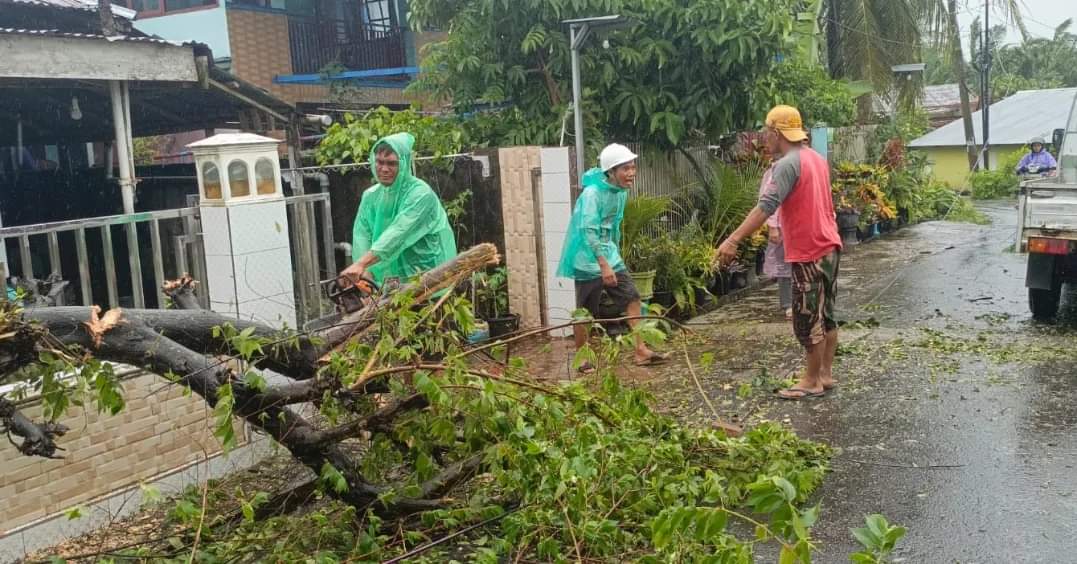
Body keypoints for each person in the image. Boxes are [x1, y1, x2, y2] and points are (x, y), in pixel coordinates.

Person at [715, 105, 842, 400]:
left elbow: (765, 206)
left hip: (808, 249)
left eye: (765, 131)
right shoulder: (816, 159)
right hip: (830, 244)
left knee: (806, 316)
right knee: (828, 314)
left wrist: (732, 240)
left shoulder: (786, 165)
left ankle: (811, 380)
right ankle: (824, 373)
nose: (763, 137)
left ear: (776, 132)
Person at [557, 143, 668, 373]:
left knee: (632, 297)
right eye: (625, 169)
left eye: (632, 167)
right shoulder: (592, 194)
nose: (631, 173)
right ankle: (582, 359)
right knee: (585, 312)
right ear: (611, 171)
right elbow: (589, 230)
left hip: (609, 255)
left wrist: (613, 255)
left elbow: (614, 225)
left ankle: (640, 350)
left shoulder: (620, 193)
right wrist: (603, 264)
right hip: (587, 260)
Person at [341, 132, 457, 287]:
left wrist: (362, 263)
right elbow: (362, 236)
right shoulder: (371, 196)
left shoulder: (420, 194)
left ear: (403, 163)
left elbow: (398, 233)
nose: (384, 169)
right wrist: (365, 277)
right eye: (380, 162)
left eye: (391, 163)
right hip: (389, 280)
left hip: (427, 276)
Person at [760, 164, 793, 319]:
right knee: (784, 266)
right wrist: (773, 226)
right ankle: (788, 304)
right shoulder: (775, 171)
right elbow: (767, 201)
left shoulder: (809, 165)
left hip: (801, 225)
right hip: (783, 225)